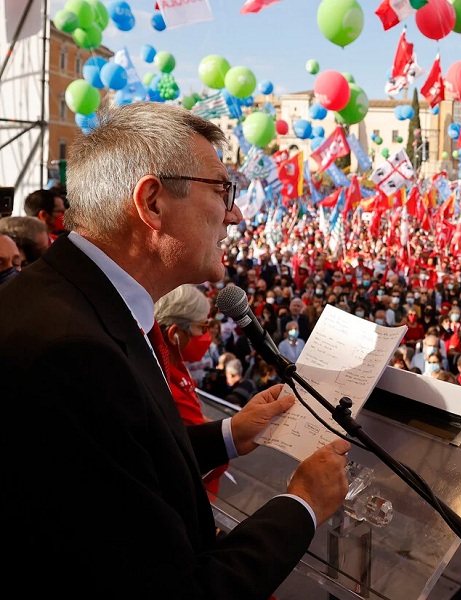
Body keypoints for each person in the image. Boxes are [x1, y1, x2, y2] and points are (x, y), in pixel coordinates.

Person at [0, 102, 350, 596]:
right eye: (222, 190)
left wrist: (229, 433)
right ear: (153, 203)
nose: (235, 213)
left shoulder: (73, 303)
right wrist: (303, 504)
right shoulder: (71, 354)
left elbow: (123, 460)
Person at [153, 283, 227, 496]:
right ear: (175, 333)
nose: (207, 336)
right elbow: (207, 458)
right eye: (201, 328)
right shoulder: (167, 388)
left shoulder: (174, 366)